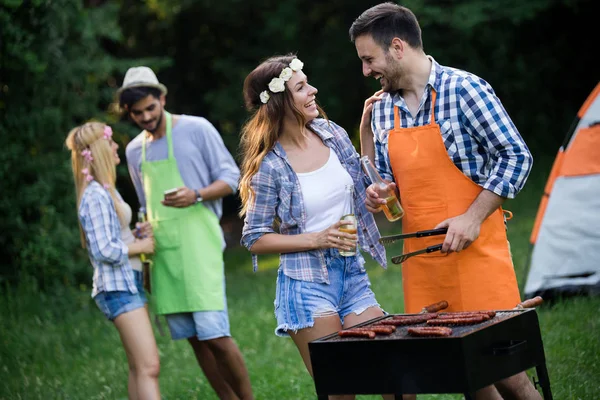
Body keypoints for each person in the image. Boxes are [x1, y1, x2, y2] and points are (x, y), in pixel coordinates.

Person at [349, 3, 541, 400]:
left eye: (369, 59)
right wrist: (381, 192)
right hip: (422, 262)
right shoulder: (383, 108)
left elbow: (516, 156)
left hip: (476, 253)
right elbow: (393, 184)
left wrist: (471, 218)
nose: (366, 71)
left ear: (397, 47)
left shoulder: (466, 89)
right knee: (464, 372)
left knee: (505, 370)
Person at [239, 54, 404, 400]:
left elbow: (360, 187)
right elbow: (254, 238)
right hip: (307, 285)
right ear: (281, 102)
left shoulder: (331, 134)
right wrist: (317, 238)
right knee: (341, 390)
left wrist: (372, 195)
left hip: (351, 274)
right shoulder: (269, 167)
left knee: (396, 376)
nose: (313, 90)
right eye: (301, 87)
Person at [119, 66, 253, 400]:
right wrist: (143, 229)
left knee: (215, 335)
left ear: (162, 99)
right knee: (195, 338)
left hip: (199, 245)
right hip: (164, 253)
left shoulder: (196, 129)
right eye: (138, 113)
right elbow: (144, 205)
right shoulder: (135, 151)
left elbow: (231, 177)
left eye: (151, 108)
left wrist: (196, 194)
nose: (147, 117)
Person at [65, 122, 160, 399]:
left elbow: (112, 236)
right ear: (99, 150)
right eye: (111, 142)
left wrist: (133, 235)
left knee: (139, 367)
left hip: (126, 283)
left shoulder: (106, 189)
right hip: (117, 287)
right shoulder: (95, 195)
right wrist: (140, 246)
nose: (117, 145)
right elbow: (104, 250)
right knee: (149, 365)